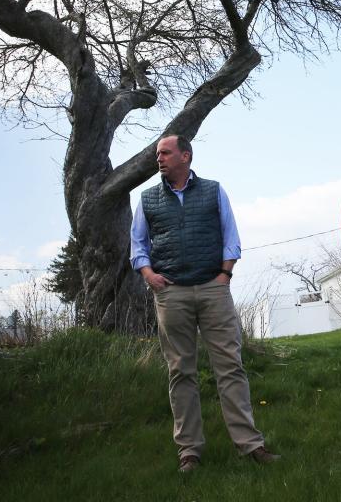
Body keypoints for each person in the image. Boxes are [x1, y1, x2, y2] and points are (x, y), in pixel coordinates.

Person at [130, 134, 279, 472]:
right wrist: (149, 275)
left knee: (230, 366)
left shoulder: (213, 190)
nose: (160, 158)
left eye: (166, 153)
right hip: (171, 294)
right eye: (158, 154)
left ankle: (250, 445)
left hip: (214, 289)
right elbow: (137, 244)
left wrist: (225, 274)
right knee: (180, 371)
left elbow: (231, 236)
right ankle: (189, 452)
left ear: (186, 156)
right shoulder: (148, 198)